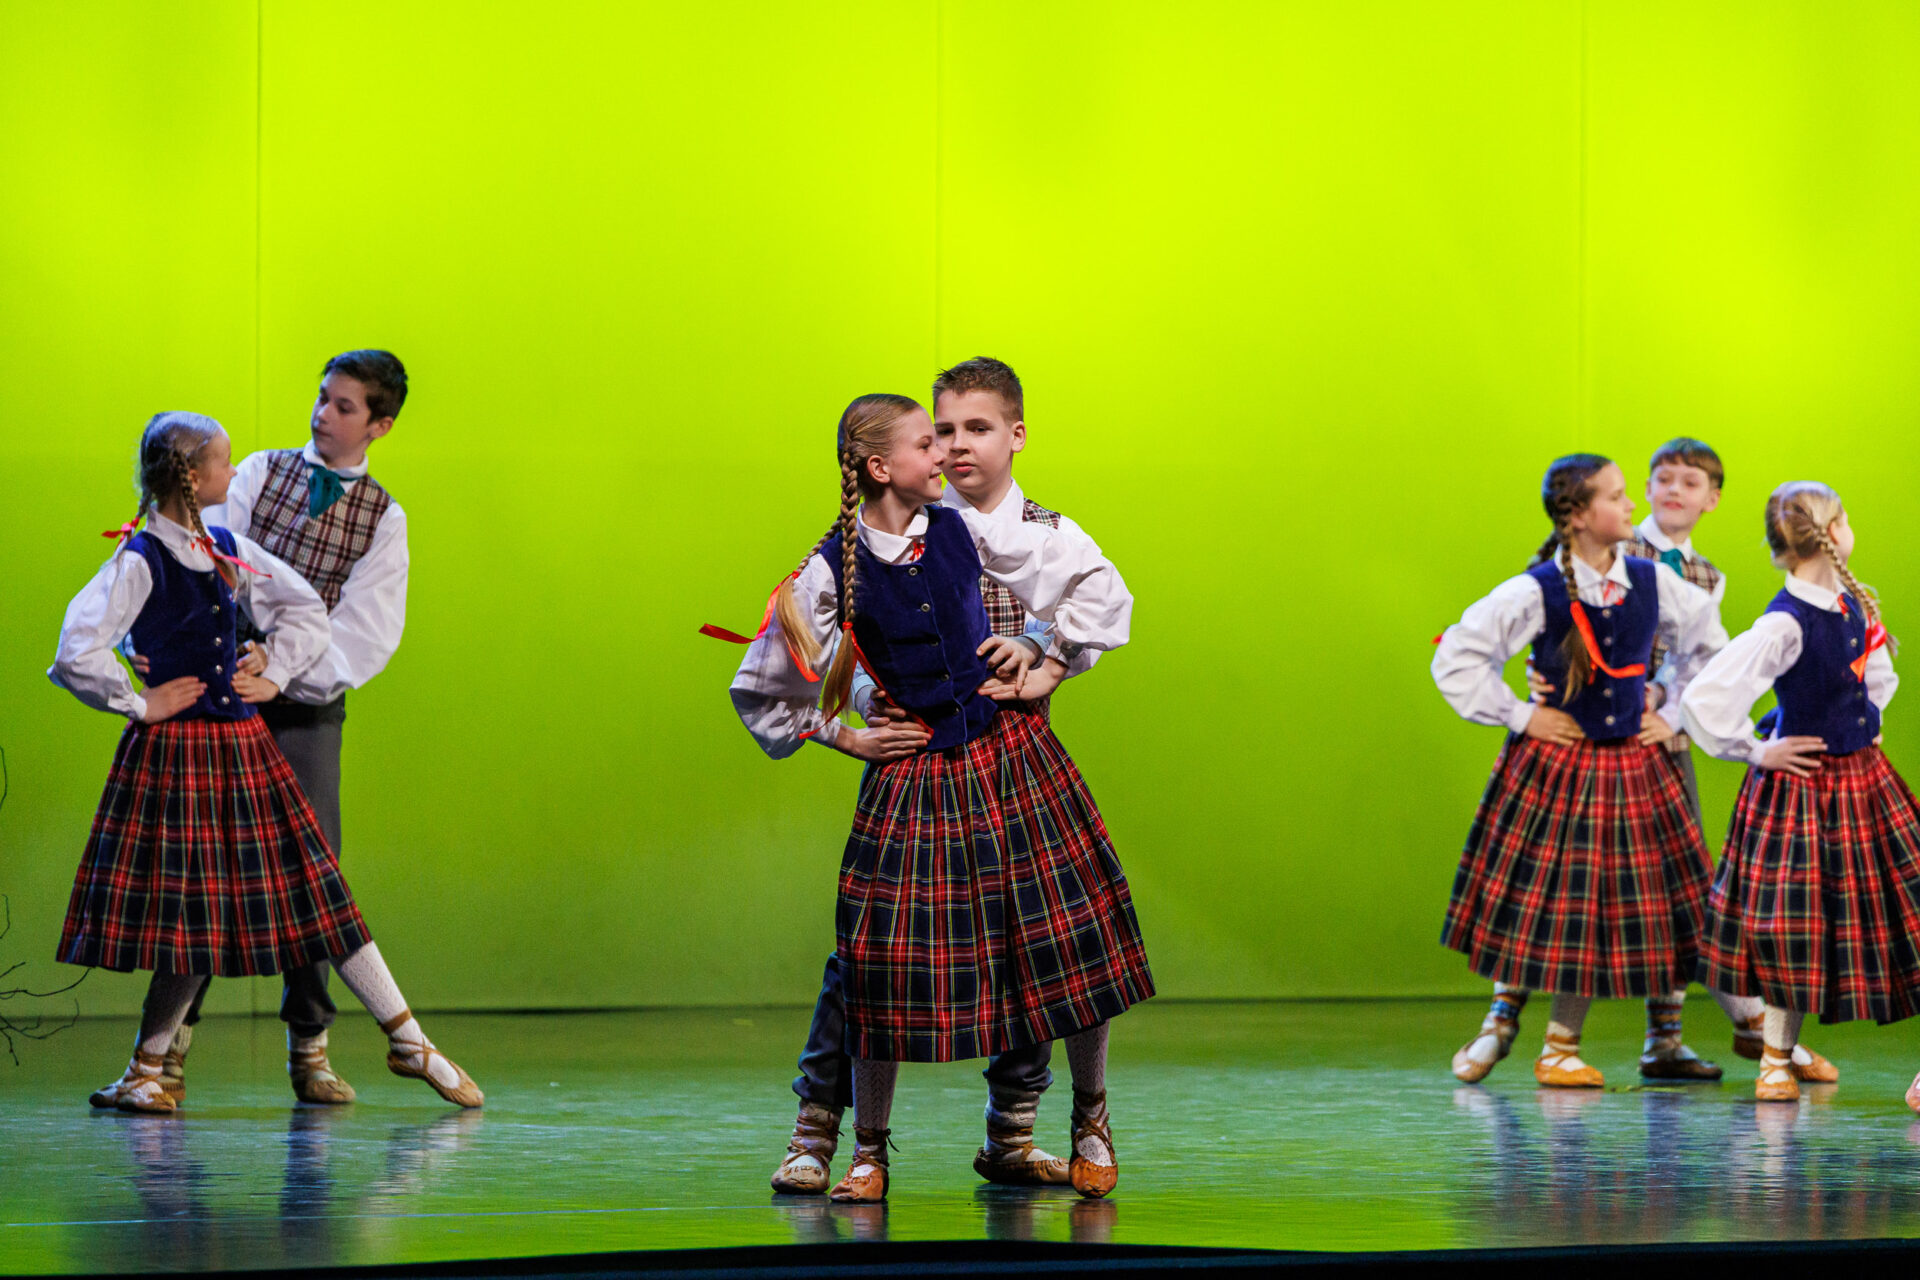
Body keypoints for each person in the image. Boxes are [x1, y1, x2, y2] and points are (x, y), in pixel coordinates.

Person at [727, 393, 1149, 1200]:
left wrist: (1042, 648)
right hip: (917, 776)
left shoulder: (969, 528)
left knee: (1066, 937)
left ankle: (1078, 1121)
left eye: (963, 433)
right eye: (931, 441)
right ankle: (852, 1144)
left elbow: (1090, 587)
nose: (947, 454)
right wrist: (849, 732)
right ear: (881, 466)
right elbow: (769, 680)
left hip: (1007, 755)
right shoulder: (834, 564)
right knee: (876, 962)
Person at [54, 411, 478, 1112]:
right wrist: (139, 701)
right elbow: (76, 649)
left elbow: (304, 610)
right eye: (223, 462)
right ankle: (147, 1066)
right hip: (182, 755)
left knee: (317, 889)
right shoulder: (140, 558)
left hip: (243, 749)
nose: (234, 470)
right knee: (197, 916)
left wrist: (275, 670)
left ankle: (407, 1038)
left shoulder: (224, 548)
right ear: (194, 478)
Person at [1681, 482, 1910, 1105]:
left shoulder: (1852, 603)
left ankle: (1785, 1058)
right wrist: (1759, 750)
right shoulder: (1786, 621)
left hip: (1861, 779)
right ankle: (1776, 1057)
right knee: (1794, 925)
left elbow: (1875, 676)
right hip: (1803, 791)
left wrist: (1863, 721)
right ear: (1834, 532)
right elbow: (1705, 699)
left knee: (1898, 913)